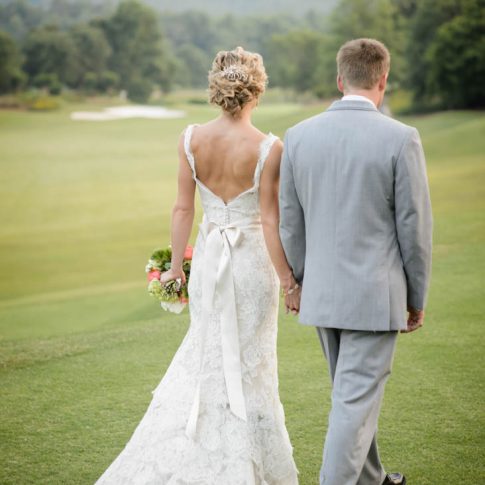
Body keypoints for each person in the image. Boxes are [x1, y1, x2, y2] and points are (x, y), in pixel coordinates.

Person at [94, 46, 299, 484]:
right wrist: (288, 280)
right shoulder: (269, 148)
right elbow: (268, 220)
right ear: (256, 90)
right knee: (252, 364)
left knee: (206, 349)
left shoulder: (191, 139)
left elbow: (183, 209)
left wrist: (176, 268)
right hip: (251, 271)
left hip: (208, 264)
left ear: (216, 88)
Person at [278, 38, 433, 485]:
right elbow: (414, 228)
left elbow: (291, 222)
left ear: (339, 79)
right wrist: (416, 296)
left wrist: (300, 283)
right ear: (382, 80)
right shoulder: (401, 137)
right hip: (373, 296)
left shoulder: (299, 135)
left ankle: (372, 479)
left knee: (351, 398)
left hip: (322, 294)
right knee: (353, 402)